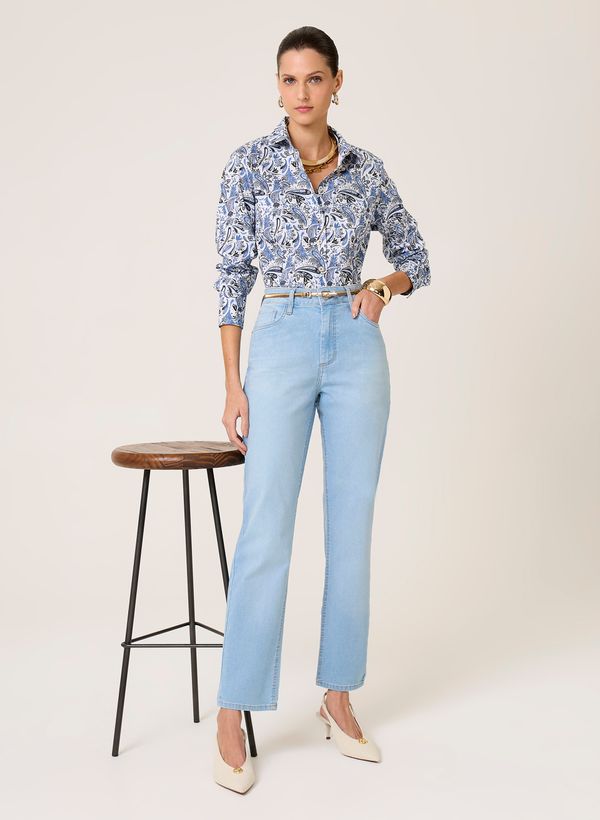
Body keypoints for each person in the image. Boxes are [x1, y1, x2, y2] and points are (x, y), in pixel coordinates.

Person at [212, 26, 430, 793]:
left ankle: (337, 696)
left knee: (351, 526)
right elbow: (230, 278)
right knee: (265, 526)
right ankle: (234, 709)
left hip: (355, 343)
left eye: (314, 78)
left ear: (337, 82)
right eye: (288, 79)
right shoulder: (249, 165)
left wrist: (382, 288)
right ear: (277, 87)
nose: (301, 92)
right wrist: (233, 384)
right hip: (279, 338)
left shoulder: (367, 170)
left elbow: (415, 256)